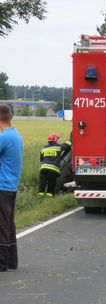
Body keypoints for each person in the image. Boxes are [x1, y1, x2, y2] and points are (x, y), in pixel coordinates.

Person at [0, 104, 23, 272]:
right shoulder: (16, 135)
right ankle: (11, 260)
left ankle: (1, 262)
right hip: (11, 185)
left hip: (2, 185)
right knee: (9, 223)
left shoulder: (3, 138)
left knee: (2, 224)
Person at [38, 133, 71, 197]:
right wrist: (71, 140)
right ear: (55, 140)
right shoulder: (57, 147)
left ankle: (40, 196)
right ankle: (49, 197)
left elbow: (41, 160)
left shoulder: (43, 149)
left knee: (42, 184)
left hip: (43, 169)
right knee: (51, 184)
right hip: (52, 170)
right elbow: (66, 145)